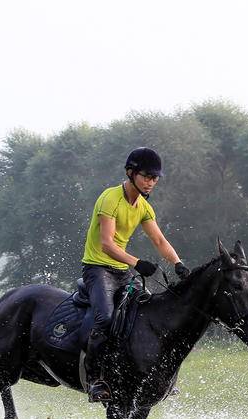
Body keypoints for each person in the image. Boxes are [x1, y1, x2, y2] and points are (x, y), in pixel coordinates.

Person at [80, 147, 190, 402]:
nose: (151, 182)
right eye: (146, 176)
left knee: (149, 316)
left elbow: (160, 241)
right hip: (97, 269)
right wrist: (137, 262)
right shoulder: (110, 199)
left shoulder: (142, 207)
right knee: (106, 319)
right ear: (131, 173)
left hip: (121, 272)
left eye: (155, 178)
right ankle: (96, 379)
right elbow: (107, 244)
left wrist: (178, 263)